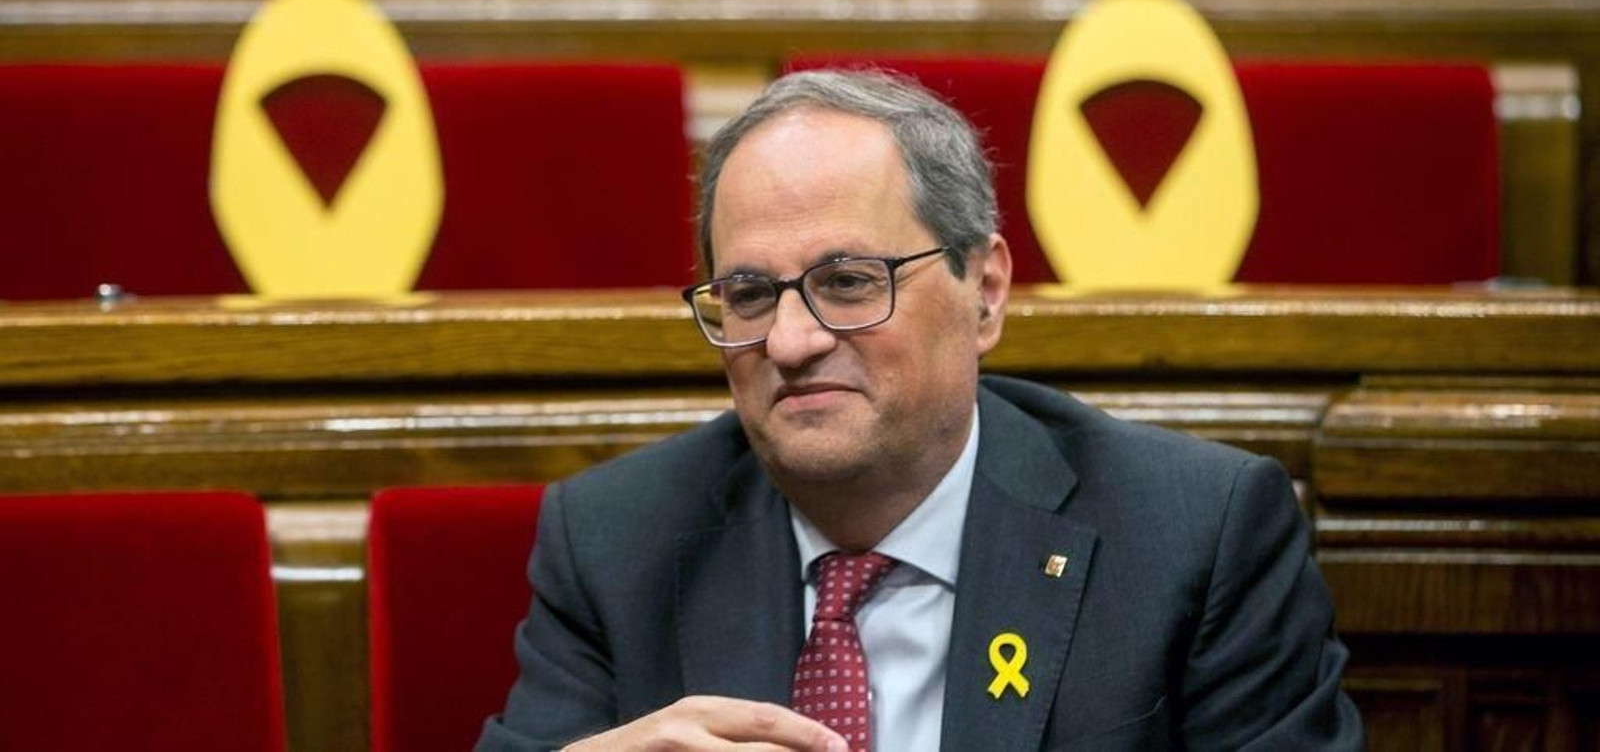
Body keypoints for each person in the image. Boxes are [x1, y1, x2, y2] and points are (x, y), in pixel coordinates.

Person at [479, 69, 1363, 751]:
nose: (789, 341)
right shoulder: (614, 539)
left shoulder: (1194, 534)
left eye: (848, 282)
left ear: (984, 291)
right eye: (749, 294)